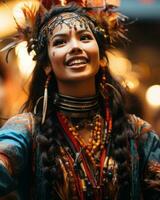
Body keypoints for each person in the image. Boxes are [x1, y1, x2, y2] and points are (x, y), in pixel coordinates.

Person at [0, 1, 159, 200]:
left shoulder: (139, 135)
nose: (75, 47)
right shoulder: (26, 131)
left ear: (101, 58)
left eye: (84, 38)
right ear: (47, 65)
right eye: (60, 42)